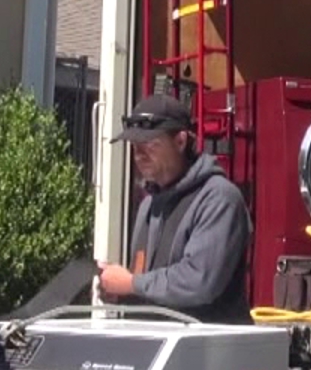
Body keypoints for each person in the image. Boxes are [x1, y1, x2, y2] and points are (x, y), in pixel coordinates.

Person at [96, 91, 252, 323]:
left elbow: (198, 281)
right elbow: (146, 284)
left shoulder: (219, 198)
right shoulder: (149, 204)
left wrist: (131, 284)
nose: (138, 155)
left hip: (210, 352)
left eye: (149, 144)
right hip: (159, 348)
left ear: (180, 141)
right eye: (134, 145)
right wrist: (121, 292)